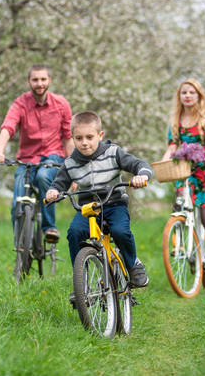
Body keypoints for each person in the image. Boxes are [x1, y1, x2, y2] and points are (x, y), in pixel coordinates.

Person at [45, 111, 153, 287]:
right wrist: (53, 192)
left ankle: (133, 264)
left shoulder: (113, 153)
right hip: (88, 209)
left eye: (89, 137)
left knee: (119, 231)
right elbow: (59, 183)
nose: (84, 142)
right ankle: (81, 278)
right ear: (72, 138)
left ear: (100, 135)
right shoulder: (70, 163)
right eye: (79, 138)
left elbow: (140, 165)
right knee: (74, 232)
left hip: (115, 204)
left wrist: (142, 176)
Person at [0, 65, 74, 241]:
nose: (39, 83)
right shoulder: (20, 104)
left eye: (43, 79)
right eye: (35, 80)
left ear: (49, 81)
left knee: (44, 176)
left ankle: (49, 227)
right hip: (26, 159)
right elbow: (8, 127)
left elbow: (68, 137)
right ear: (29, 82)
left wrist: (74, 170)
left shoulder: (61, 104)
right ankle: (20, 244)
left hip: (52, 156)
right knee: (17, 204)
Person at [161, 79, 205, 277]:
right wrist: (162, 164)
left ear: (199, 95)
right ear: (179, 96)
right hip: (185, 168)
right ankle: (180, 244)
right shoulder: (176, 119)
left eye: (192, 92)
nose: (187, 96)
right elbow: (172, 147)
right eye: (184, 93)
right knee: (179, 205)